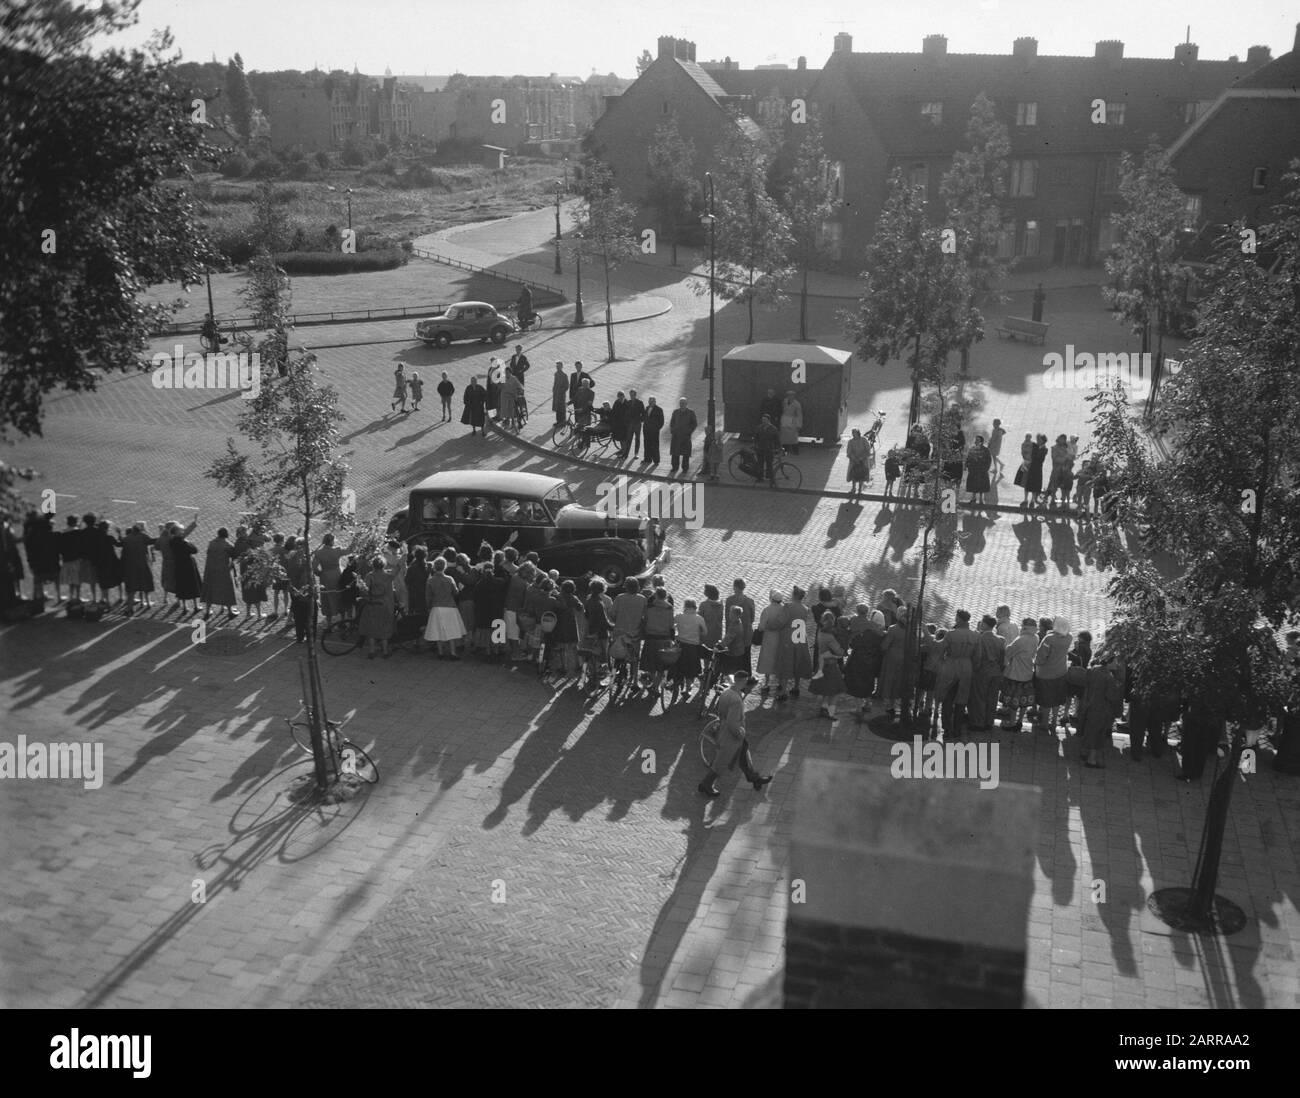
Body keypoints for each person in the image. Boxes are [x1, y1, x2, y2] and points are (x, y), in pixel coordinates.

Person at [698, 671, 772, 797]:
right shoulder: (736, 700)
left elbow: (720, 712)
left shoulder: (726, 693)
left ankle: (754, 778)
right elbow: (732, 723)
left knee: (743, 754)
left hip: (724, 731)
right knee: (721, 762)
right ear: (743, 682)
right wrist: (739, 733)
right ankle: (706, 784)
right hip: (731, 736)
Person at [1067, 652, 1125, 768]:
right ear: (1108, 662)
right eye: (1115, 661)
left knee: (1087, 729)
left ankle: (1083, 752)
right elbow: (1111, 696)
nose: (1117, 664)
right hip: (1100, 709)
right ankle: (1091, 760)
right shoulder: (1109, 678)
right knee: (1097, 734)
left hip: (1088, 705)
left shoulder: (1093, 670)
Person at [932, 609, 978, 739]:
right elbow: (978, 656)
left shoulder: (951, 634)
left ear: (958, 619)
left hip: (951, 665)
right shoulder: (975, 635)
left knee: (947, 698)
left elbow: (941, 650)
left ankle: (947, 728)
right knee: (961, 700)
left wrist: (940, 664)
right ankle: (957, 729)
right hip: (967, 666)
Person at [1033, 616, 1072, 733]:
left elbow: (1041, 657)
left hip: (1046, 674)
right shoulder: (1069, 637)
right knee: (1056, 699)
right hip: (1061, 672)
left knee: (1046, 700)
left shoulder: (1049, 639)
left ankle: (1044, 723)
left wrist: (1036, 663)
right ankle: (1054, 722)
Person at [966, 615, 1005, 731]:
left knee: (979, 697)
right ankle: (989, 721)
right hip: (995, 672)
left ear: (984, 624)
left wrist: (975, 669)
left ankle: (978, 722)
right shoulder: (1000, 640)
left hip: (982, 671)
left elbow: (977, 657)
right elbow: (1002, 658)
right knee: (992, 698)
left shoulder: (980, 639)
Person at [1000, 618, 1039, 730]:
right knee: (1023, 701)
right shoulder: (1035, 637)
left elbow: (1009, 651)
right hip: (1027, 672)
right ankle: (1020, 721)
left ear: (1024, 626)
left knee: (1014, 701)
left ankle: (1012, 723)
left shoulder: (1021, 639)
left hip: (1016, 673)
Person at [424, 556, 465, 660]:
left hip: (436, 607)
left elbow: (428, 596)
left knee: (438, 630)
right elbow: (455, 592)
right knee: (451, 630)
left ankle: (440, 652)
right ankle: (453, 653)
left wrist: (428, 607)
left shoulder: (430, 580)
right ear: (444, 567)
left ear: (434, 567)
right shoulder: (449, 579)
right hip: (450, 606)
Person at [356, 556, 396, 658]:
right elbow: (399, 567)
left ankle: (372, 651)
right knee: (384, 628)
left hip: (372, 604)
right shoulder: (389, 576)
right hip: (385, 605)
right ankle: (385, 652)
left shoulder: (370, 576)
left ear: (373, 565)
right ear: (384, 565)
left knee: (372, 628)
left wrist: (360, 585)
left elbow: (364, 590)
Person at [812, 610, 848, 720]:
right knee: (836, 691)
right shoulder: (831, 637)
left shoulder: (820, 632)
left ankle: (823, 708)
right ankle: (830, 714)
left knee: (825, 689)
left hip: (821, 664)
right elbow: (839, 652)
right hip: (831, 665)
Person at [756, 589, 789, 700]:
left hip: (769, 638)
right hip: (781, 638)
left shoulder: (767, 610)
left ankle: (766, 683)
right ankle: (779, 682)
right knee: (779, 659)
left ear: (772, 599)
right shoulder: (784, 610)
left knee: (767, 659)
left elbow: (761, 626)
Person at [23, 512, 60, 605]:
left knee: (38, 580)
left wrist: (31, 563)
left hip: (37, 564)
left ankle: (38, 598)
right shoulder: (52, 536)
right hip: (51, 563)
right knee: (55, 578)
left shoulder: (30, 538)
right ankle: (58, 597)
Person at [201, 528, 239, 618]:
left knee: (210, 589)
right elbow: (235, 556)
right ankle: (230, 611)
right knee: (226, 589)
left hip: (210, 569)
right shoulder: (228, 545)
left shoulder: (211, 543)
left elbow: (208, 553)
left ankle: (207, 611)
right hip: (223, 570)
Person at [878, 607, 908, 720]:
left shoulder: (893, 628)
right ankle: (894, 701)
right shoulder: (911, 630)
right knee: (898, 680)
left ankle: (888, 703)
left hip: (891, 657)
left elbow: (885, 645)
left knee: (889, 678)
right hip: (904, 658)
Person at [724, 578, 756, 676]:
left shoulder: (729, 600)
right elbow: (752, 618)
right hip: (746, 633)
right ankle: (747, 676)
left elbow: (727, 618)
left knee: (734, 657)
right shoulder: (750, 601)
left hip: (733, 633)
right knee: (746, 657)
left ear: (735, 587)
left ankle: (734, 676)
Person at [312, 533, 345, 628]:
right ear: (331, 541)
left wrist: (320, 574)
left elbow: (314, 567)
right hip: (337, 575)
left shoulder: (319, 553)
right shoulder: (337, 551)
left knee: (326, 598)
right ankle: (342, 621)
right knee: (339, 596)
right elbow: (349, 550)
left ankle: (329, 623)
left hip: (325, 577)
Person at [785, 586, 814, 697]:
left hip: (790, 634)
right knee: (798, 660)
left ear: (795, 595)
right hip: (801, 635)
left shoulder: (788, 606)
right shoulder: (805, 608)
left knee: (787, 659)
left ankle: (783, 686)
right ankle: (796, 686)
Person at [171, 522, 203, 614]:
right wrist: (187, 541)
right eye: (181, 530)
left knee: (182, 585)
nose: (182, 531)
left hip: (178, 565)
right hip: (188, 565)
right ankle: (196, 606)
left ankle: (185, 606)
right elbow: (194, 550)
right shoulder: (183, 542)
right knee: (193, 584)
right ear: (177, 532)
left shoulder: (172, 541)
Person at [669, 398, 697, 477]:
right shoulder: (675, 412)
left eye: (683, 403)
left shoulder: (691, 413)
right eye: (681, 403)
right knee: (675, 452)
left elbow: (694, 424)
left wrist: (689, 431)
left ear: (686, 404)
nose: (682, 404)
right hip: (676, 435)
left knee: (686, 453)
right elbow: (672, 422)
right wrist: (672, 430)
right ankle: (674, 467)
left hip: (685, 436)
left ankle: (685, 468)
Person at [964, 436, 992, 507]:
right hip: (973, 470)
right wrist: (967, 465)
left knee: (982, 485)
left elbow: (989, 460)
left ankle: (981, 499)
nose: (976, 441)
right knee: (973, 485)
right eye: (975, 440)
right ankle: (973, 498)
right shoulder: (972, 449)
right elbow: (968, 458)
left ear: (981, 442)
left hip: (982, 470)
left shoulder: (986, 450)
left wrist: (986, 468)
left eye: (977, 440)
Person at [753, 414, 780, 486]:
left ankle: (770, 478)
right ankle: (760, 477)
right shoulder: (759, 428)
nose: (763, 421)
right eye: (762, 420)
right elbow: (756, 438)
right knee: (760, 464)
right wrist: (755, 445)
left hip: (769, 449)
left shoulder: (773, 429)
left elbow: (777, 439)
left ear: (768, 420)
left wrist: (778, 448)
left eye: (765, 420)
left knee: (769, 464)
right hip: (760, 448)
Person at [846, 428, 871, 497]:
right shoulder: (850, 442)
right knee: (854, 476)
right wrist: (854, 458)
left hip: (863, 461)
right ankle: (853, 488)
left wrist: (861, 457)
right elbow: (849, 452)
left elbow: (868, 449)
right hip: (854, 462)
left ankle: (860, 490)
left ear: (858, 433)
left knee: (862, 476)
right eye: (853, 433)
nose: (853, 434)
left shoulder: (864, 440)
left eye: (855, 433)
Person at [643, 396, 664, 466]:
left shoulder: (659, 410)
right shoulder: (647, 408)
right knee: (646, 445)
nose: (650, 403)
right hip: (646, 431)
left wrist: (656, 429)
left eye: (652, 401)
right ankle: (647, 459)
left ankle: (656, 461)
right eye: (649, 401)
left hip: (654, 432)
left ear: (655, 402)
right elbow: (644, 418)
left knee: (655, 446)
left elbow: (661, 422)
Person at [610, 391, 631, 458]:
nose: (620, 398)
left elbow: (629, 414)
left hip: (625, 425)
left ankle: (624, 452)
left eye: (621, 397)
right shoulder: (616, 402)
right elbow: (613, 411)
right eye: (619, 397)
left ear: (624, 396)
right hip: (618, 424)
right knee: (620, 438)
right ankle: (622, 450)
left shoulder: (627, 403)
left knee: (624, 439)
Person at [627, 389, 646, 459]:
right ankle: (626, 453)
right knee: (629, 439)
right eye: (630, 395)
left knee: (637, 439)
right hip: (630, 424)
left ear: (635, 395)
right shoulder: (628, 402)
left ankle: (636, 453)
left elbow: (643, 413)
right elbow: (626, 413)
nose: (632, 396)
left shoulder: (640, 402)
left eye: (633, 395)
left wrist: (640, 420)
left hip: (637, 424)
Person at [551, 362, 569, 430]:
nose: (558, 367)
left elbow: (567, 386)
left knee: (562, 409)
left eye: (559, 366)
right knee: (557, 408)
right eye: (557, 366)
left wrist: (561, 391)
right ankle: (558, 421)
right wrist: (554, 389)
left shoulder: (564, 375)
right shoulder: (556, 374)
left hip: (561, 395)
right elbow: (555, 383)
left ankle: (563, 422)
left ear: (562, 367)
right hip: (556, 394)